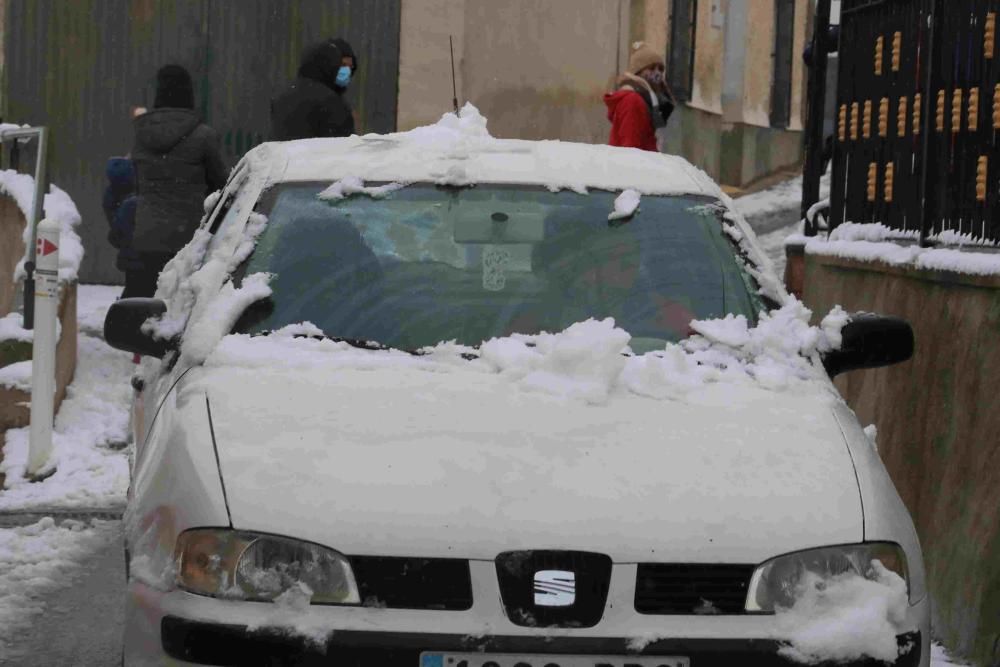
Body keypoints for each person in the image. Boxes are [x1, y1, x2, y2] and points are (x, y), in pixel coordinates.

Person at [130, 64, 227, 297]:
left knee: (145, 305)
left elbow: (136, 182)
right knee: (182, 307)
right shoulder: (203, 135)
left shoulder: (142, 134)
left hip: (147, 236)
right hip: (189, 240)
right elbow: (221, 187)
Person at [270, 38, 357, 140]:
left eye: (350, 67)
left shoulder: (282, 96)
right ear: (329, 65)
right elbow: (340, 147)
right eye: (341, 65)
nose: (347, 71)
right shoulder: (330, 101)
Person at [604, 43, 676, 151]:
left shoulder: (648, 100)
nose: (657, 73)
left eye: (660, 69)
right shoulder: (633, 101)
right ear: (638, 72)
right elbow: (630, 149)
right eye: (651, 68)